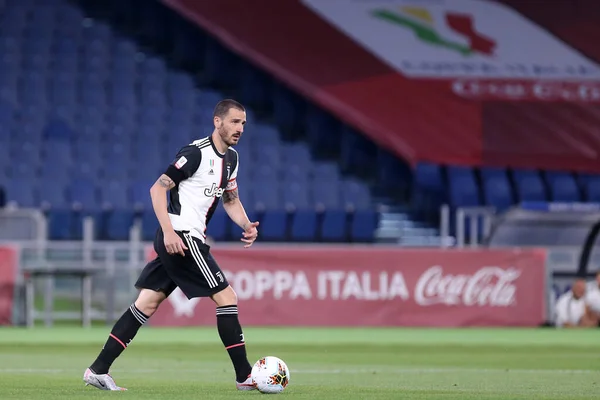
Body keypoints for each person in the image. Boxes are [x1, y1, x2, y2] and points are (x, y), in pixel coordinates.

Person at [83, 99, 259, 391]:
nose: (239, 128)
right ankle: (245, 377)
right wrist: (168, 232)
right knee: (227, 297)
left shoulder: (232, 159)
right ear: (217, 122)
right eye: (234, 121)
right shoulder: (195, 153)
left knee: (147, 303)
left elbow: (230, 198)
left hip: (184, 237)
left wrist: (246, 224)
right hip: (182, 237)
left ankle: (98, 370)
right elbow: (157, 189)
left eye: (243, 123)